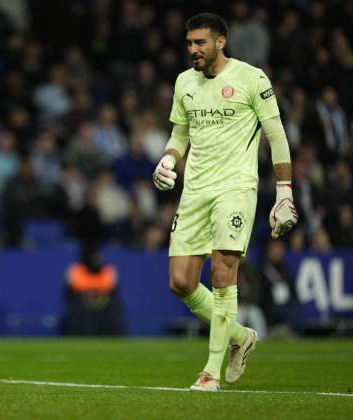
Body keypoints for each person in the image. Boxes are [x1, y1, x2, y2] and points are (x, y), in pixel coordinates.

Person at [152, 13, 298, 391]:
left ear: (221, 41)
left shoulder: (252, 78)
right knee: (180, 282)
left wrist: (284, 191)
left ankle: (210, 373)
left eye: (200, 43)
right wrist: (168, 159)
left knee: (222, 273)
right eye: (189, 44)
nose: (193, 51)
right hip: (195, 190)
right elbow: (180, 132)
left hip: (236, 187)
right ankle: (240, 336)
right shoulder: (185, 82)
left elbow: (277, 136)